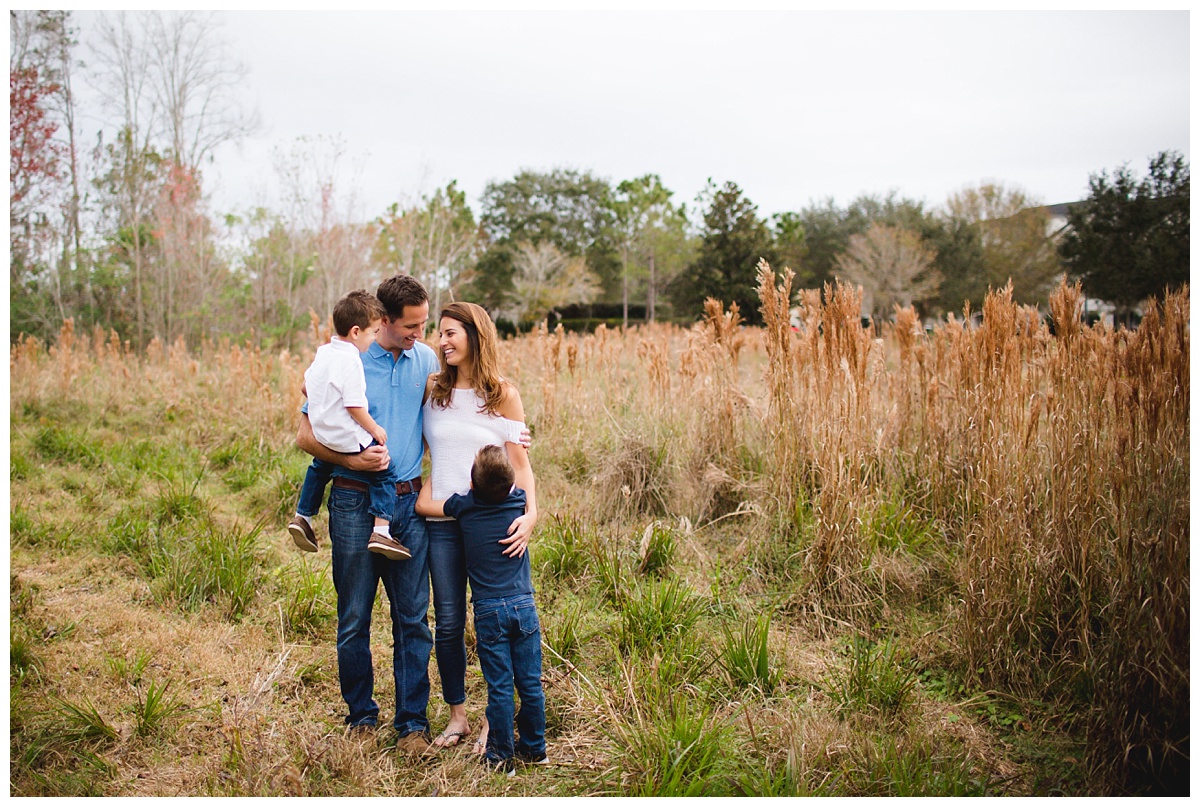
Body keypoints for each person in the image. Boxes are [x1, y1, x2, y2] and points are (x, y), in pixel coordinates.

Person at [294, 274, 438, 752]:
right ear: (383, 321)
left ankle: (412, 724)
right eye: (411, 325)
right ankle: (361, 717)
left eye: (424, 323)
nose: (419, 333)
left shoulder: (427, 360)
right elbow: (306, 436)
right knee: (355, 614)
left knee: (413, 618)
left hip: (410, 502)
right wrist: (353, 460)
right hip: (355, 499)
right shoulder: (349, 361)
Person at [420, 301, 538, 753]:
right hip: (446, 522)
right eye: (440, 333)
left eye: (451, 333)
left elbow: (521, 467)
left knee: (496, 620)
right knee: (449, 622)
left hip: (495, 526)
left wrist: (530, 515)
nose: (442, 341)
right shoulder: (432, 390)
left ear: (475, 335)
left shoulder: (503, 393)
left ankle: (497, 719)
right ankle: (457, 717)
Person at [416, 445, 546, 773]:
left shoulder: (465, 506)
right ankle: (535, 748)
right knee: (530, 682)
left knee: (500, 685)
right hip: (525, 606)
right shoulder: (519, 502)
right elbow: (523, 484)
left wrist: (437, 472)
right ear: (510, 485)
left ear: (472, 485)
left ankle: (502, 757)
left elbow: (422, 505)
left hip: (490, 612)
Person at [288, 289, 410, 561]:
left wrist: (326, 403)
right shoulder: (352, 360)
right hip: (345, 434)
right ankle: (382, 530)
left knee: (320, 466)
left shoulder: (324, 352)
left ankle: (302, 516)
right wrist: (374, 429)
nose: (375, 338)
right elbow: (355, 405)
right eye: (373, 332)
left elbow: (305, 386)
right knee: (384, 468)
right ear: (356, 332)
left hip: (323, 432)